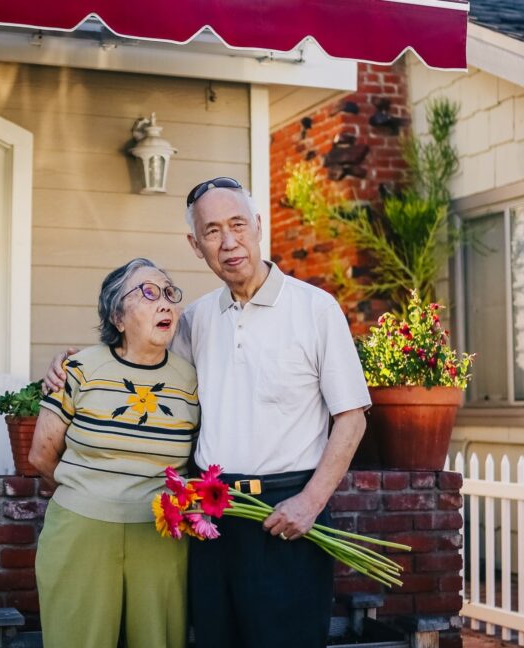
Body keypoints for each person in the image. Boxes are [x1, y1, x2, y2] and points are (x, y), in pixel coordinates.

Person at [43, 178, 369, 648]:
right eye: (212, 231)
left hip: (288, 510)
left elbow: (352, 417)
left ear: (258, 226)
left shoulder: (315, 309)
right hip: (212, 514)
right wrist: (70, 365)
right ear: (196, 246)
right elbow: (143, 364)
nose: (229, 241)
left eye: (238, 224)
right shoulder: (194, 319)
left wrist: (311, 502)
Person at [30, 257, 200, 648]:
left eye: (169, 293)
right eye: (148, 292)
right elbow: (41, 456)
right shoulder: (77, 368)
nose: (165, 304)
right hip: (81, 532)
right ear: (117, 316)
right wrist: (91, 494)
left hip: (160, 536)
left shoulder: (192, 380)